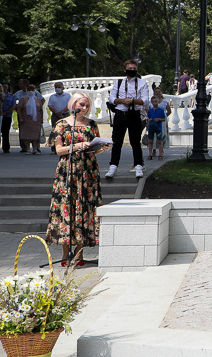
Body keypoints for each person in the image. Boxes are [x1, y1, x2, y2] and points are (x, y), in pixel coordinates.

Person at [46, 93, 110, 267]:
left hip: (88, 171)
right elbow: (59, 150)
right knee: (68, 208)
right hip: (68, 171)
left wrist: (100, 149)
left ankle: (79, 252)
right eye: (82, 104)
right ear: (73, 104)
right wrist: (76, 146)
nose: (85, 108)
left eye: (87, 105)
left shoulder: (91, 125)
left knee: (86, 208)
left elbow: (92, 150)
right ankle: (65, 253)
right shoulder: (62, 124)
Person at [106, 60, 149, 179]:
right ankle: (113, 166)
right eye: (130, 68)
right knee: (117, 141)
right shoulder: (119, 82)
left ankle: (138, 166)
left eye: (134, 68)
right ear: (125, 70)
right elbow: (112, 98)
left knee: (135, 142)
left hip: (134, 114)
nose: (132, 70)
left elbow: (145, 100)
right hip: (120, 114)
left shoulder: (141, 83)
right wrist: (122, 101)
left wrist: (132, 101)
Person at [13, 79, 43, 153]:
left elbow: (41, 107)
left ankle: (36, 148)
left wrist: (41, 118)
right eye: (29, 89)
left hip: (35, 119)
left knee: (35, 133)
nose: (30, 91)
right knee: (25, 133)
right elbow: (18, 106)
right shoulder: (22, 97)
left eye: (32, 89)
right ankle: (26, 148)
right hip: (26, 118)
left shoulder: (37, 98)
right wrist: (20, 116)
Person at [46, 82, 71, 154]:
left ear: (62, 88)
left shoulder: (67, 96)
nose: (57, 89)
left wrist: (62, 112)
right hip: (55, 115)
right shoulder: (52, 96)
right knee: (55, 131)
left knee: (66, 131)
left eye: (59, 87)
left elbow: (69, 105)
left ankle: (66, 147)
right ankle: (54, 148)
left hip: (65, 114)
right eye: (56, 87)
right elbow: (50, 106)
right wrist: (57, 112)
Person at [146, 95, 167, 160]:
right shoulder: (150, 111)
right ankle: (150, 154)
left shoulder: (160, 110)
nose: (154, 103)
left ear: (158, 102)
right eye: (153, 102)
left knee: (159, 141)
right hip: (151, 127)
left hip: (158, 128)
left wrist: (159, 119)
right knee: (150, 141)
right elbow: (148, 118)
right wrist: (149, 120)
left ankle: (160, 154)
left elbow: (164, 119)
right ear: (151, 103)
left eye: (156, 101)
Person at [0, 82, 16, 153]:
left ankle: (6, 148)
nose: (4, 88)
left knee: (5, 133)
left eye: (6, 87)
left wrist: (6, 112)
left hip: (7, 116)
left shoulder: (11, 96)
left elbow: (13, 106)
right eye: (3, 87)